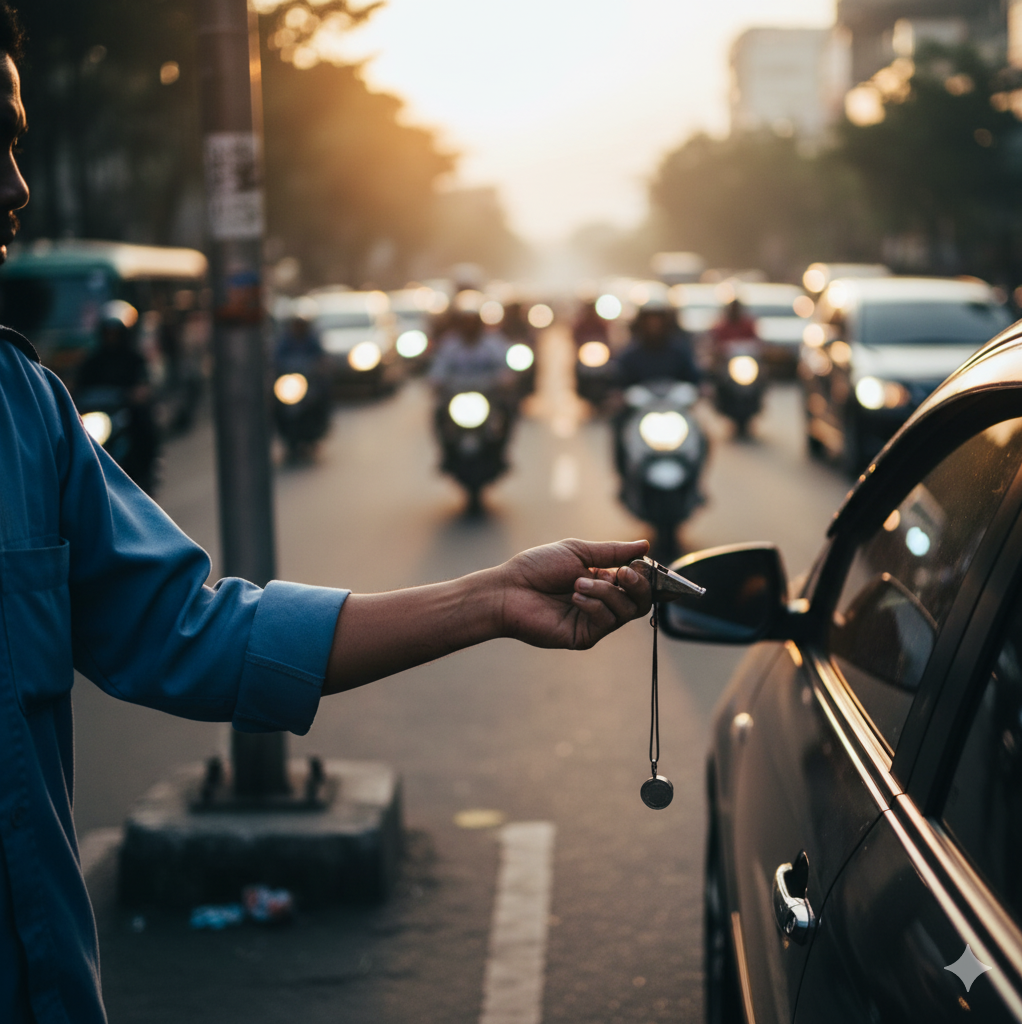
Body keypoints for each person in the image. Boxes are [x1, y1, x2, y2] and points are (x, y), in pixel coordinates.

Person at [0, 10, 653, 1023]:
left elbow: (197, 632)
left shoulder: (24, 411)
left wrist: (491, 598)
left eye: (16, 143)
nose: (17, 188)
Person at [75, 302, 160, 492]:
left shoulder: (134, 359)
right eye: (108, 332)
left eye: (115, 332)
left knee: (143, 424)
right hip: (99, 413)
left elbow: (143, 385)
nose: (112, 337)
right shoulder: (92, 360)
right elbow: (79, 385)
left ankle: (148, 469)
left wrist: (137, 394)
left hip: (125, 412)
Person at [614, 298, 700, 389]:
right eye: (649, 320)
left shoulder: (679, 351)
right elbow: (621, 381)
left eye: (658, 320)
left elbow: (692, 378)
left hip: (674, 398)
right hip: (640, 398)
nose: (654, 324)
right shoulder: (631, 354)